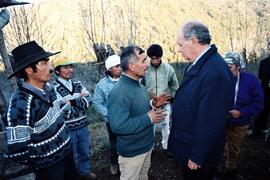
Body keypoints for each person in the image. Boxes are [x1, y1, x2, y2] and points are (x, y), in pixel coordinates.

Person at [2, 41, 78, 180]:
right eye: (44, 63)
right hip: (48, 168)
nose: (50, 67)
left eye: (48, 62)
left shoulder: (49, 89)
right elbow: (17, 151)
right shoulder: (21, 104)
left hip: (67, 154)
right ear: (29, 70)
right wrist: (41, 160)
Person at [168, 21, 234, 180]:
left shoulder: (215, 73)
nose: (179, 49)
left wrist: (198, 155)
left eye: (180, 44)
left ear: (193, 41)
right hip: (187, 142)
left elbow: (212, 120)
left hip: (197, 154)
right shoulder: (195, 63)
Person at [108, 46, 171, 180]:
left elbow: (136, 108)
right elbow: (118, 126)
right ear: (131, 66)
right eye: (143, 61)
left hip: (145, 147)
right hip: (132, 154)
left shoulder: (137, 84)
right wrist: (149, 118)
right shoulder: (119, 92)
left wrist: (153, 104)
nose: (147, 64)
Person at [52, 57, 96, 180]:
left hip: (83, 126)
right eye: (65, 67)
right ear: (57, 71)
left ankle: (85, 172)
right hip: (67, 129)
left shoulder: (78, 84)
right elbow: (61, 109)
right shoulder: (54, 88)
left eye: (71, 66)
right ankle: (74, 176)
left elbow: (89, 101)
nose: (70, 70)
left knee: (84, 152)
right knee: (71, 155)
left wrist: (71, 102)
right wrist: (79, 100)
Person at [223, 51, 263, 179]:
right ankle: (215, 171)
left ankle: (230, 171)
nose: (226, 70)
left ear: (238, 66)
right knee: (216, 147)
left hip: (240, 123)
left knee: (234, 149)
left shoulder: (251, 81)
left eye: (229, 67)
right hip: (221, 122)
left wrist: (241, 112)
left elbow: (258, 103)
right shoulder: (221, 79)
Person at [141, 44, 179, 152]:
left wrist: (171, 97)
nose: (155, 61)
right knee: (149, 126)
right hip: (149, 104)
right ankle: (150, 148)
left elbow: (174, 86)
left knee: (165, 126)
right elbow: (140, 85)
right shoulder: (145, 69)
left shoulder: (168, 69)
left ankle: (167, 147)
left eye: (157, 58)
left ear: (160, 57)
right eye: (152, 59)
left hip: (164, 104)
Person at [92, 55, 122, 175]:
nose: (120, 68)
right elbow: (97, 103)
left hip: (129, 118)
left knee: (128, 141)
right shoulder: (102, 85)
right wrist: (109, 114)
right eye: (117, 66)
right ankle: (114, 163)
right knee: (114, 143)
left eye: (121, 66)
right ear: (109, 69)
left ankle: (128, 163)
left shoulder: (127, 80)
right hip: (112, 121)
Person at [252, 42, 270, 136]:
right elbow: (261, 77)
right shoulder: (264, 62)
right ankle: (257, 131)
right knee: (262, 111)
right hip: (266, 91)